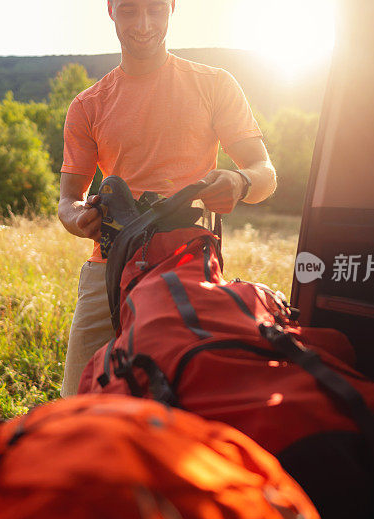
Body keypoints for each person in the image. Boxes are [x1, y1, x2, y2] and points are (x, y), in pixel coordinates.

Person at [57, 0, 277, 397]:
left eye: (155, 9)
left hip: (187, 266)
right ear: (110, 11)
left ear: (172, 8)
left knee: (188, 403)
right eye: (128, 10)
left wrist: (240, 182)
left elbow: (266, 174)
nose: (143, 24)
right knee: (78, 402)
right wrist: (78, 218)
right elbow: (68, 201)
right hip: (107, 269)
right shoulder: (88, 105)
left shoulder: (214, 84)